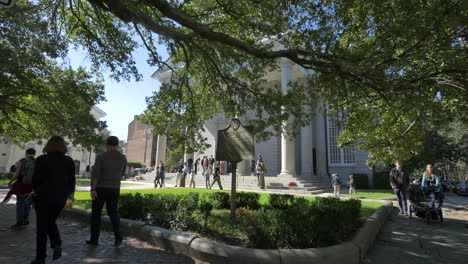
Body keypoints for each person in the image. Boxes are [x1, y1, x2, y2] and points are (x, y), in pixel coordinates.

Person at [30, 136, 75, 264]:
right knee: (50, 221)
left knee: (42, 228)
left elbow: (36, 180)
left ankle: (41, 257)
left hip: (43, 196)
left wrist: (36, 189)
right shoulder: (69, 161)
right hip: (60, 198)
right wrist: (70, 198)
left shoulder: (42, 159)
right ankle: (56, 243)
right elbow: (72, 182)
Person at [87, 136, 127, 247]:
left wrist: (93, 189)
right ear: (117, 144)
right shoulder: (123, 157)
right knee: (113, 212)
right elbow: (123, 173)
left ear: (107, 144)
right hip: (115, 188)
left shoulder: (101, 157)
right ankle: (118, 234)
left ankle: (94, 239)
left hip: (101, 188)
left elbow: (95, 175)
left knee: (96, 214)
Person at [8, 148, 35, 228]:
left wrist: (10, 182)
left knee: (20, 203)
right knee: (28, 203)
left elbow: (16, 174)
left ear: (26, 153)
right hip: (31, 185)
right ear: (34, 154)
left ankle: (19, 222)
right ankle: (26, 219)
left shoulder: (22, 161)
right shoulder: (37, 161)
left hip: (22, 184)